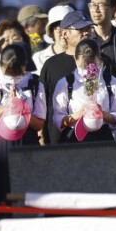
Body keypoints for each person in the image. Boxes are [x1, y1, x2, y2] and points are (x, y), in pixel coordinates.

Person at [0, 43, 46, 205]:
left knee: (25, 198)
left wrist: (21, 109)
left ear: (24, 66)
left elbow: (39, 123)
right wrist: (4, 109)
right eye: (8, 72)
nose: (13, 76)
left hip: (26, 145)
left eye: (16, 72)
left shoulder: (35, 84)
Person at [52, 38, 116, 143]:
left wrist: (101, 113)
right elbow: (58, 119)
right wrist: (80, 113)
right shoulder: (65, 83)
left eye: (92, 62)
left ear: (99, 59)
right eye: (84, 64)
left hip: (102, 136)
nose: (88, 69)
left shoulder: (111, 82)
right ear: (75, 59)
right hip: (75, 135)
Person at [40, 10, 94, 144]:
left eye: (88, 28)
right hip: (62, 140)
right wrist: (42, 138)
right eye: (81, 29)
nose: (86, 32)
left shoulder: (103, 62)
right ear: (65, 33)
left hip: (98, 139)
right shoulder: (52, 65)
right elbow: (42, 104)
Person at [32, 4, 74, 75]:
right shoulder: (38, 58)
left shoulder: (82, 58)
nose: (64, 32)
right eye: (59, 27)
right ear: (52, 31)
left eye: (68, 27)